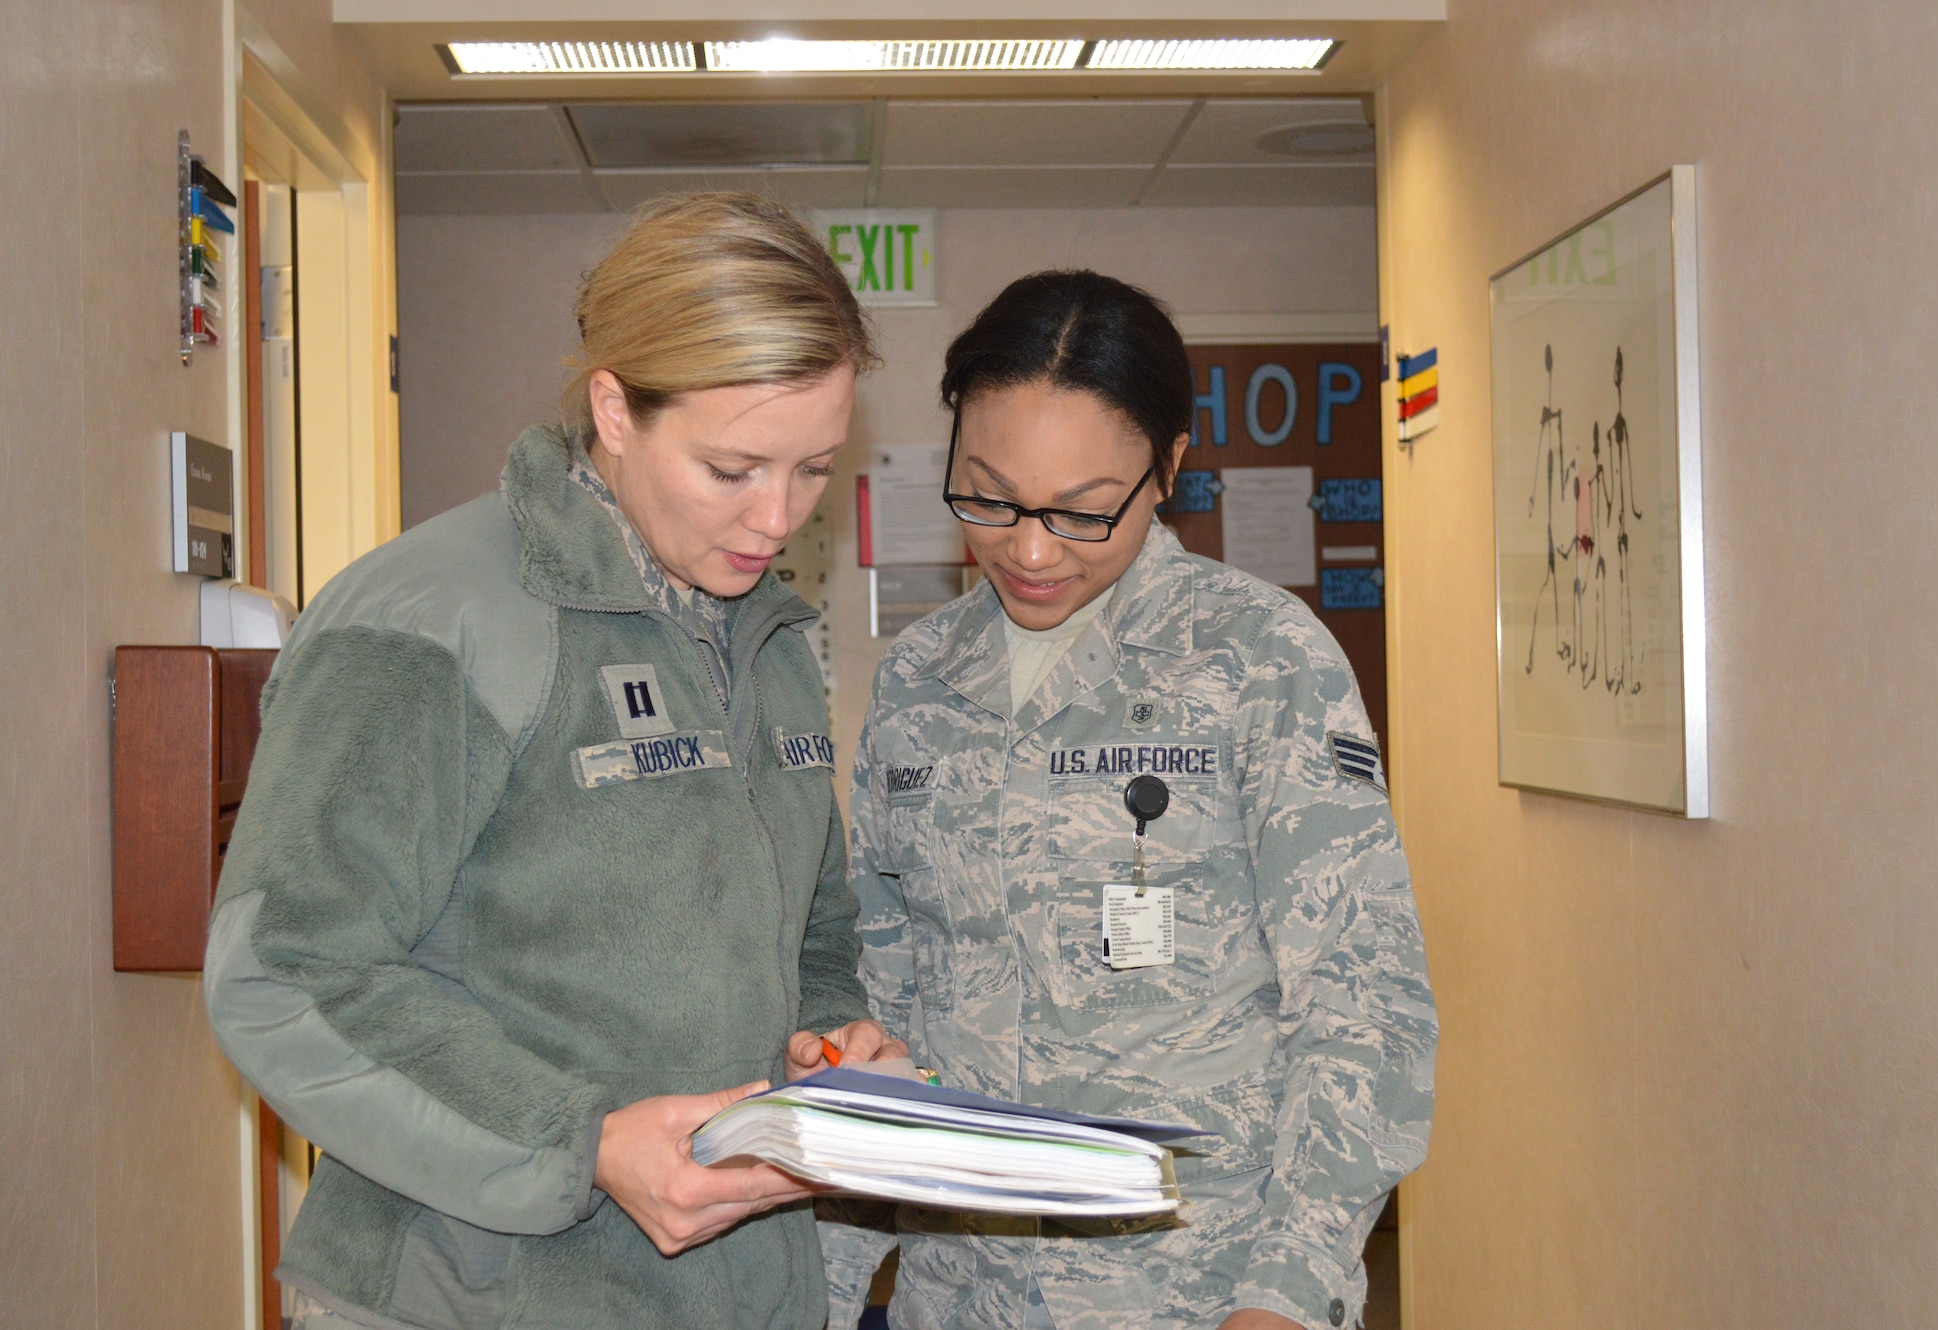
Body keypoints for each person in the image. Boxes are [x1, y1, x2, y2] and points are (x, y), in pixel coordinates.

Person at [205, 193, 905, 1330]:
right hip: (470, 1292)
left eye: (813, 469)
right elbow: (284, 971)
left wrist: (835, 1042)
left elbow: (810, 941)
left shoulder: (764, 636)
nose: (777, 517)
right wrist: (581, 1144)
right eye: (732, 468)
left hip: (737, 1294)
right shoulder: (433, 616)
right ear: (615, 409)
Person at [824, 270, 1437, 1330]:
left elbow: (1361, 1000)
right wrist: (821, 1293)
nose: (1027, 548)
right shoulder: (919, 680)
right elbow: (883, 999)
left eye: (1080, 511)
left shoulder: (1257, 658)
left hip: (1195, 1293)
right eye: (987, 493)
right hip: (957, 1296)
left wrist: (1286, 1293)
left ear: (1169, 472)